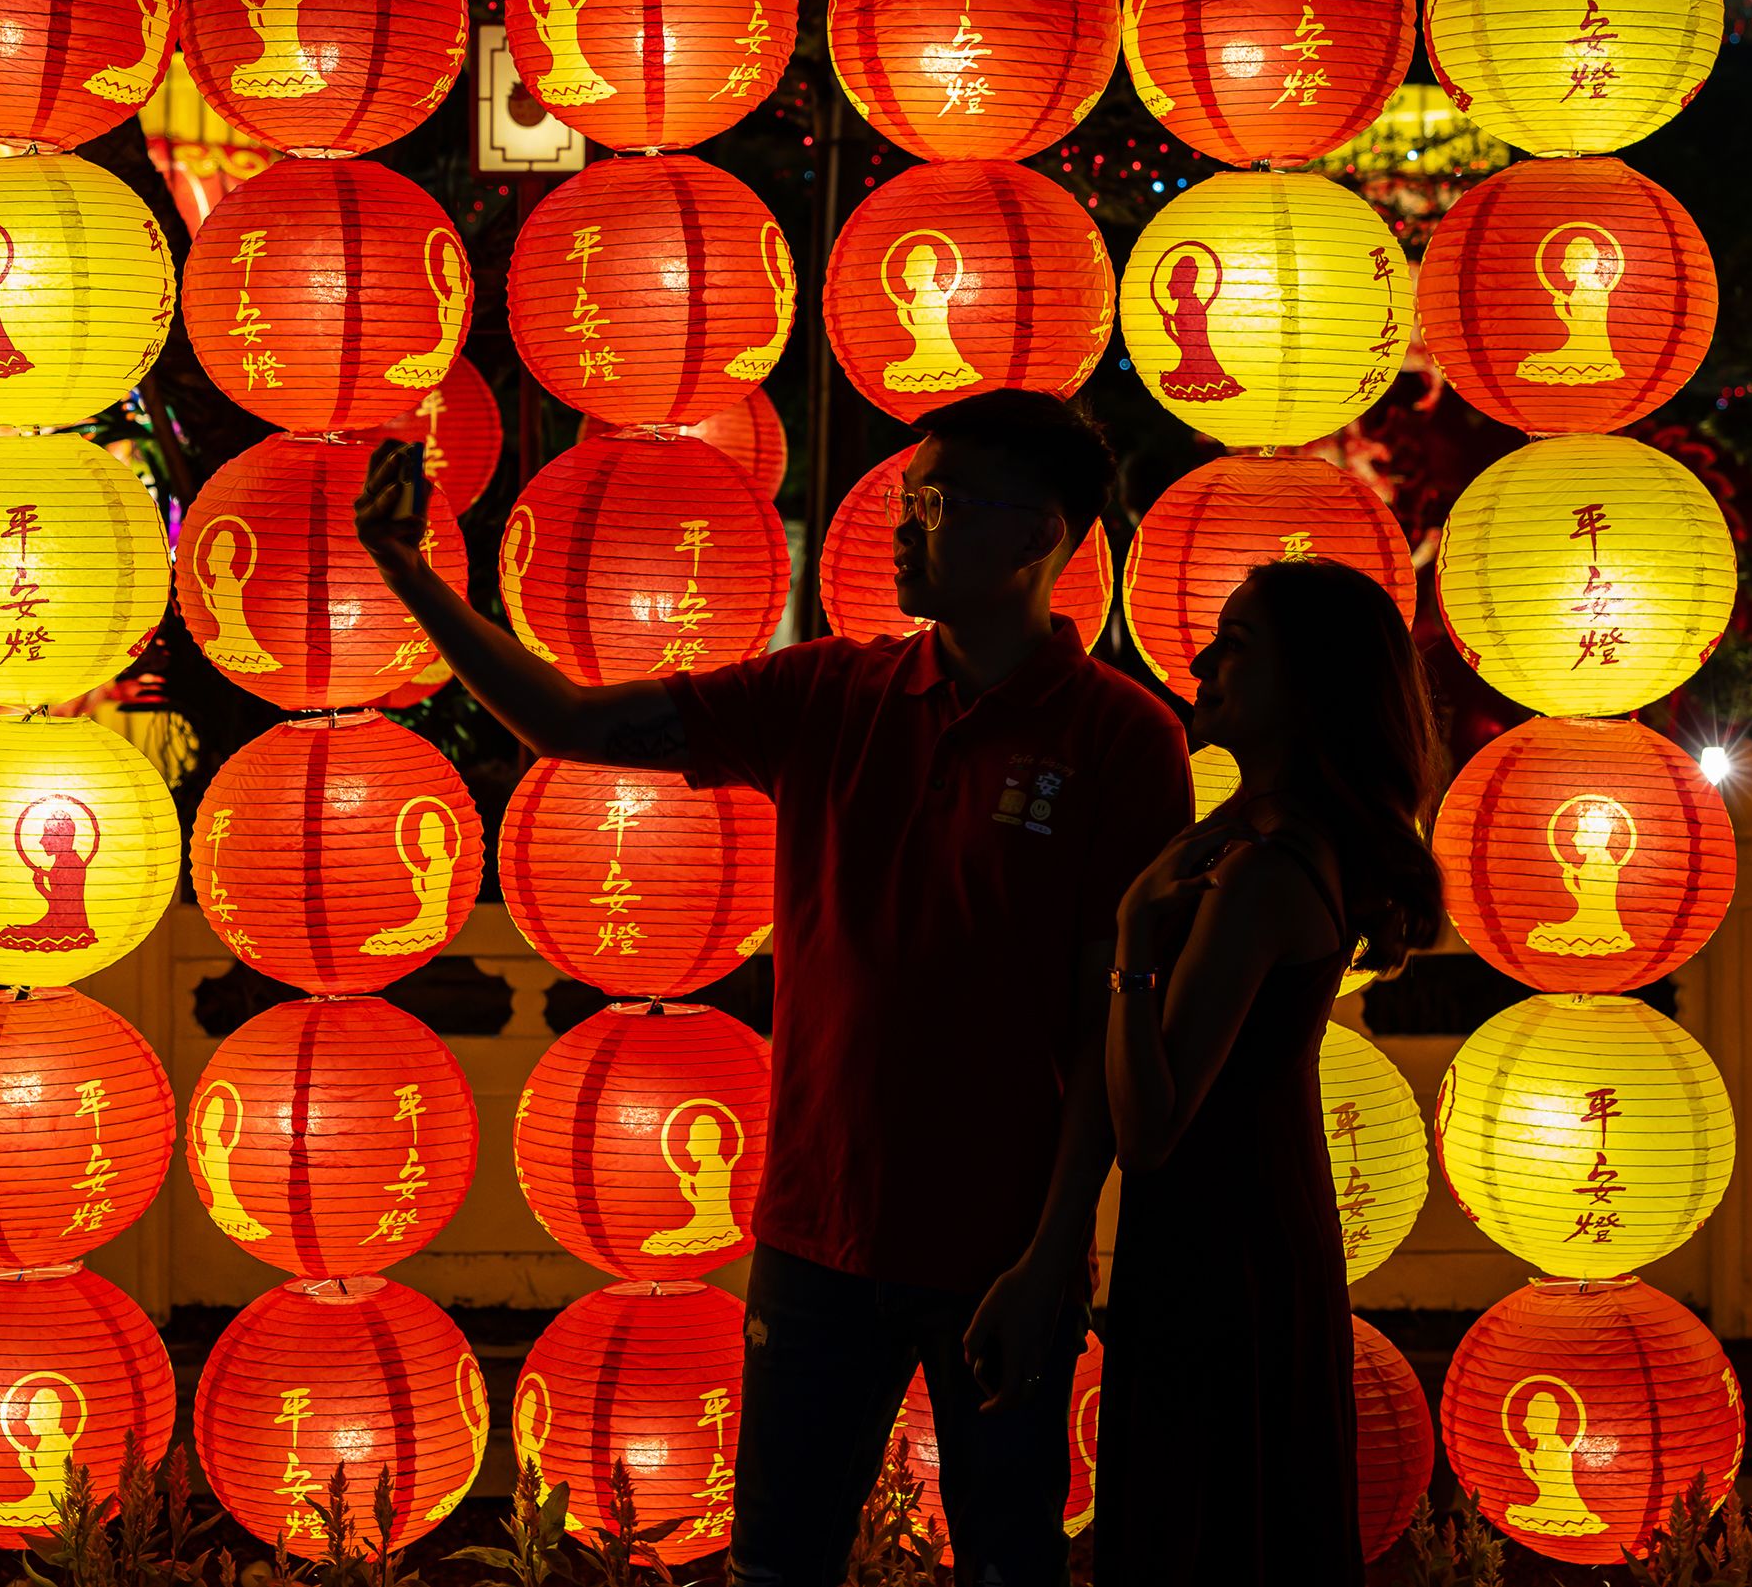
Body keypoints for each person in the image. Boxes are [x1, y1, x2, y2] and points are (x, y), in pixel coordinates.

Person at [356, 387, 1188, 1587]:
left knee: (1012, 1558)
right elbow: (564, 724)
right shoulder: (830, 695)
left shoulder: (1120, 739)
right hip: (819, 1234)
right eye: (906, 499)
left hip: (1002, 1248)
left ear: (1036, 535)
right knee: (777, 1563)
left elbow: (1105, 1016)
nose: (902, 526)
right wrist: (407, 567)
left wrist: (1056, 1255)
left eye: (936, 502)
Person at [1087, 559, 1445, 1583]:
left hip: (1217, 1252)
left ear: (1310, 687)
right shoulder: (1271, 840)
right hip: (1263, 1232)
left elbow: (1152, 1128)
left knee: (1207, 1529)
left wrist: (1129, 944)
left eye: (1236, 643)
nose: (1201, 662)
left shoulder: (1263, 872)